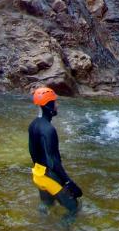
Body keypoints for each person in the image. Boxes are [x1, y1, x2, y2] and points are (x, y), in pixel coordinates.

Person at [28, 86, 82, 217]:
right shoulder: (49, 130)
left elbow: (32, 152)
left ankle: (43, 229)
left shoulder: (33, 124)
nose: (57, 105)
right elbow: (53, 162)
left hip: (37, 175)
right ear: (48, 105)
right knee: (74, 208)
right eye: (54, 102)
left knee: (47, 205)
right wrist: (68, 182)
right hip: (49, 176)